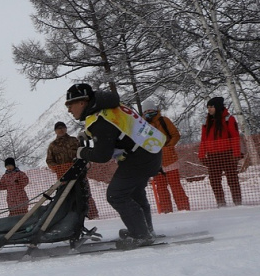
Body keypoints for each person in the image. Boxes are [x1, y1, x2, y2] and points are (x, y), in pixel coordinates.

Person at [66, 83, 164, 248]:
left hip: (140, 156)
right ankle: (145, 230)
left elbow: (102, 155)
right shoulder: (107, 106)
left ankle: (141, 234)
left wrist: (81, 152)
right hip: (150, 149)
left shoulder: (99, 120)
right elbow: (115, 129)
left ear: (82, 102)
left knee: (116, 195)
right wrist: (90, 134)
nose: (69, 110)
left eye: (70, 105)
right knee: (134, 193)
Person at [142, 100, 191, 213]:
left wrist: (168, 147)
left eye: (150, 110)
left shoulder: (164, 121)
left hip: (169, 159)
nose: (148, 113)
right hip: (154, 161)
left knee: (176, 186)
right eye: (146, 111)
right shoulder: (142, 125)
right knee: (161, 189)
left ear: (155, 110)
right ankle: (166, 211)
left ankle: (184, 209)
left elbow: (175, 135)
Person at [45, 121, 99, 219]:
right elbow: (49, 161)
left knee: (85, 194)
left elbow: (83, 153)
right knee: (66, 197)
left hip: (79, 173)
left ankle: (93, 216)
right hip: (63, 176)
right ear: (55, 131)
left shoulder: (74, 141)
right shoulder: (52, 145)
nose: (61, 130)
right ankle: (70, 218)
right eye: (58, 128)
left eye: (62, 127)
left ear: (66, 129)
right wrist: (57, 168)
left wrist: (84, 163)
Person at [198, 96, 242, 207]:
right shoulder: (206, 121)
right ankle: (221, 203)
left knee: (232, 180)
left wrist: (236, 154)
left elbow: (235, 137)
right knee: (214, 181)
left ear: (217, 107)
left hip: (227, 154)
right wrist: (202, 155)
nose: (209, 109)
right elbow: (203, 139)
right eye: (208, 107)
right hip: (212, 156)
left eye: (211, 107)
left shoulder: (228, 119)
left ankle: (238, 203)